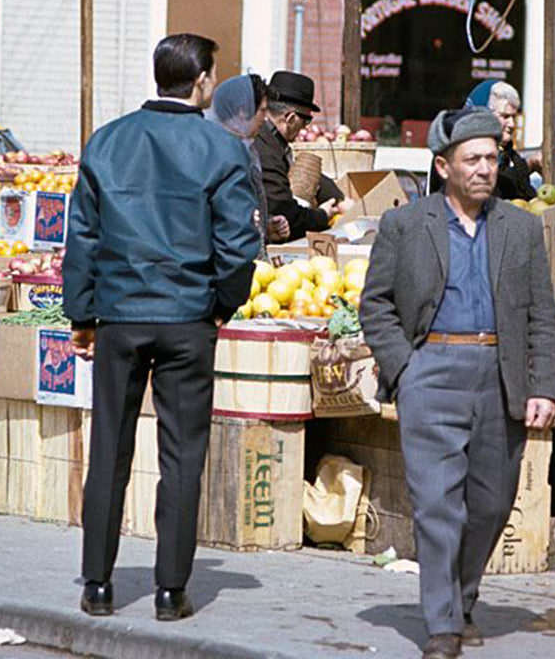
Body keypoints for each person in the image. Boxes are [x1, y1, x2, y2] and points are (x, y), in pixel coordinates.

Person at [64, 33, 261, 623]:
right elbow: (238, 243)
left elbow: (83, 237)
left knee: (109, 452)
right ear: (200, 81)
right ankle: (171, 591)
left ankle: (97, 584)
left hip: (121, 316)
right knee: (181, 457)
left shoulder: (107, 141)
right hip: (187, 319)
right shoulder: (219, 147)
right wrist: (222, 303)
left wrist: (82, 312)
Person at [360, 107, 555, 659]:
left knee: (492, 503)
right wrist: (405, 368)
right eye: (472, 160)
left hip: (500, 376)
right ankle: (443, 622)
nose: (485, 169)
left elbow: (543, 315)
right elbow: (375, 305)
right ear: (444, 166)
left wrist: (544, 385)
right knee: (436, 505)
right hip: (432, 373)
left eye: (492, 159)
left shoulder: (519, 228)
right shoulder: (406, 225)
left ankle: (462, 594)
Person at [253, 70, 346, 241]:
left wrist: (337, 198)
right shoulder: (263, 148)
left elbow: (300, 171)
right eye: (306, 121)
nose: (306, 129)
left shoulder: (274, 141)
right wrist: (322, 216)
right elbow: (287, 213)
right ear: (290, 118)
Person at [208, 73, 290, 254]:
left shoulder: (249, 147)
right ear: (243, 111)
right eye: (262, 111)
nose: (265, 119)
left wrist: (265, 228)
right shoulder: (217, 152)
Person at [429, 81, 534, 201]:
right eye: (505, 116)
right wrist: (529, 165)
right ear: (482, 115)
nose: (512, 124)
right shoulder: (453, 150)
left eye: (514, 117)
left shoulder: (509, 155)